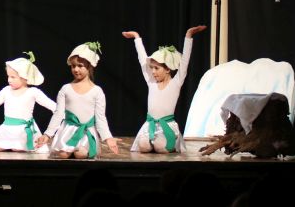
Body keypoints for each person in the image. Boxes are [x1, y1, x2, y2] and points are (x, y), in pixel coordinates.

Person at [121, 25, 207, 153]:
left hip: (167, 126)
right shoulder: (151, 82)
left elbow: (184, 62)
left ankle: (165, 143)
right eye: (152, 68)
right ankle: (152, 142)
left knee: (161, 147)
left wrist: (188, 36)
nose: (153, 72)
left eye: (157, 68)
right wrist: (136, 37)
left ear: (167, 69)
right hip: (150, 126)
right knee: (143, 146)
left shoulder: (175, 83)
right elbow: (142, 60)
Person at [36, 42, 119, 158]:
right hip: (68, 132)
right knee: (63, 154)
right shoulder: (66, 89)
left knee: (81, 153)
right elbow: (58, 113)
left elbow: (100, 117)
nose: (75, 69)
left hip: (86, 132)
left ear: (89, 66)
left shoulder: (97, 91)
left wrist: (107, 137)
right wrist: (48, 134)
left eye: (80, 66)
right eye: (73, 66)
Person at [0, 52, 56, 152]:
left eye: (13, 77)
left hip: (24, 131)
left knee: (19, 149)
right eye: (8, 76)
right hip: (7, 130)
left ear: (24, 77)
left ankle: (19, 145)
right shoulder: (6, 91)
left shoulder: (33, 92)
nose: (9, 80)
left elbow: (55, 107)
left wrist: (58, 125)